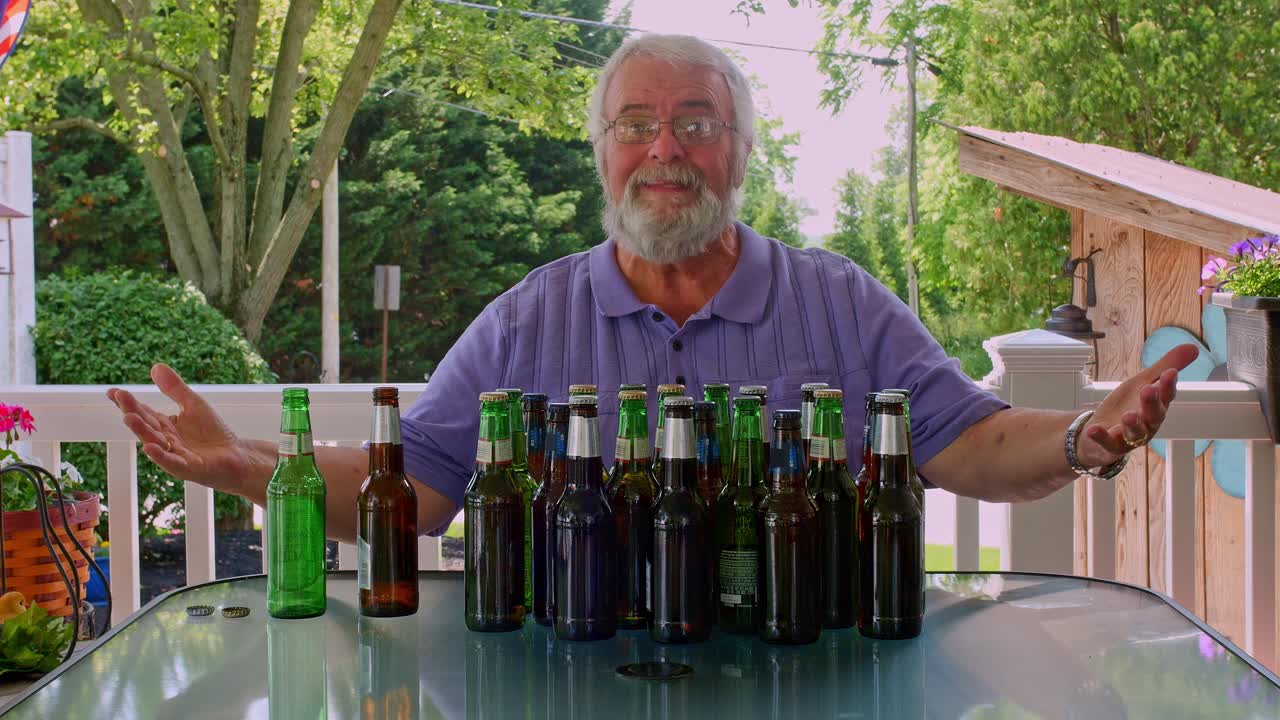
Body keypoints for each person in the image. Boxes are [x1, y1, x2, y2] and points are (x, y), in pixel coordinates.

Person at [107, 34, 1196, 544]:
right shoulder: (528, 317)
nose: (662, 149)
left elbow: (967, 443)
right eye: (635, 125)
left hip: (800, 669)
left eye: (694, 124)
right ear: (601, 154)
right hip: (567, 677)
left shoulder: (839, 302)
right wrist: (250, 466)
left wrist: (1080, 439)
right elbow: (420, 485)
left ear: (737, 153)